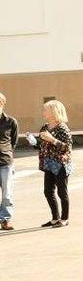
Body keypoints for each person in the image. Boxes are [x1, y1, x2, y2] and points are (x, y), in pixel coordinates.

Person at [31, 100, 73, 228]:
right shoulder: (44, 127)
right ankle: (55, 218)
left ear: (53, 112)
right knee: (48, 191)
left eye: (45, 110)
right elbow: (42, 146)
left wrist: (53, 140)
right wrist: (34, 143)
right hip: (48, 163)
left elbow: (67, 148)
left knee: (62, 192)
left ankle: (65, 219)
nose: (43, 112)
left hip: (61, 164)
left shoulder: (63, 128)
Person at [0, 92, 17, 231]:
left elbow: (14, 141)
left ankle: (5, 220)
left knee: (7, 194)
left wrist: (8, 154)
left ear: (1, 104)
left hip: (5, 162)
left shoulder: (11, 121)